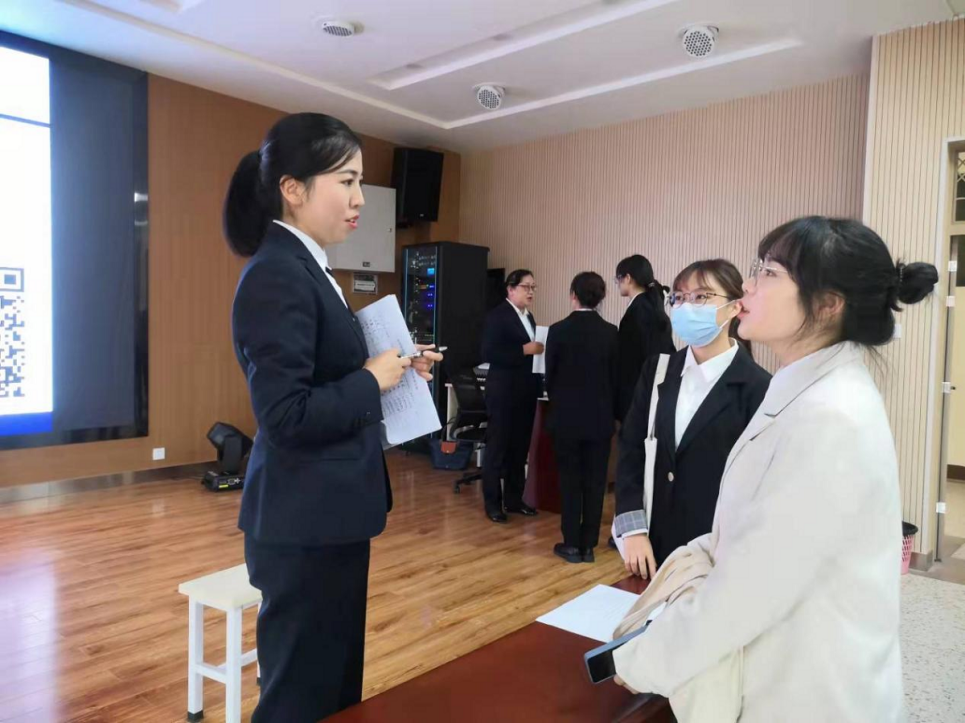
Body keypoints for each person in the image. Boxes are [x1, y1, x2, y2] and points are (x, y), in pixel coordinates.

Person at [613, 217, 939, 721]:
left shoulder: (830, 415)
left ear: (827, 303)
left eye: (768, 272)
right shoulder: (804, 387)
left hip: (811, 690)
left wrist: (642, 659)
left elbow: (747, 591)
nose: (749, 285)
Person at [224, 113, 441, 722]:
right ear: (292, 189)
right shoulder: (276, 274)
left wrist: (395, 368)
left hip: (329, 515)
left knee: (335, 692)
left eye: (360, 182)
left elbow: (330, 375)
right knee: (300, 698)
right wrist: (372, 379)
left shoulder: (309, 267)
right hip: (303, 524)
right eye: (346, 181)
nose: (359, 198)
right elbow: (286, 414)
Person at [613, 259, 770, 575]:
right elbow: (631, 450)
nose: (686, 307)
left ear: (734, 307)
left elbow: (760, 485)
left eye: (701, 297)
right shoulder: (657, 371)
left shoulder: (759, 387)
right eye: (679, 298)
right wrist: (633, 531)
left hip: (718, 555)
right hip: (652, 549)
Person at [545, 272, 619, 564]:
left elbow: (550, 377)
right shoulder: (611, 332)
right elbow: (615, 379)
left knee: (570, 481)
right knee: (595, 482)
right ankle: (589, 545)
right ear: (601, 297)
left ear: (573, 295)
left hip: (566, 419)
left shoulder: (557, 331)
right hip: (600, 420)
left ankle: (571, 543)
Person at [480, 269, 543, 523]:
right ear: (510, 289)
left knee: (519, 448)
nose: (530, 292)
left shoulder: (530, 317)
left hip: (525, 390)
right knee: (498, 448)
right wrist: (523, 350)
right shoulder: (497, 316)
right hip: (503, 391)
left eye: (533, 287)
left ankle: (515, 499)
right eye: (526, 287)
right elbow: (489, 352)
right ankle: (493, 503)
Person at [614, 255, 676, 422]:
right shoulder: (651, 306)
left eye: (618, 279)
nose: (617, 284)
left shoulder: (637, 311)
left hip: (637, 393)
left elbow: (630, 361)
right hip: (654, 389)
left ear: (628, 278)